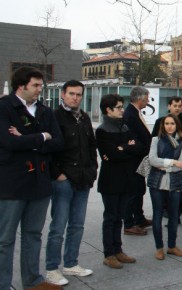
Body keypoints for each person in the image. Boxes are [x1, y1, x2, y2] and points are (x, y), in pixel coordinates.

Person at [0, 67, 64, 290]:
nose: (40, 89)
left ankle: (33, 281)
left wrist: (29, 139)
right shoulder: (4, 107)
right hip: (11, 184)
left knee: (33, 234)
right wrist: (41, 137)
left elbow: (58, 142)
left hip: (40, 182)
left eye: (40, 85)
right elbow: (9, 143)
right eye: (35, 85)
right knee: (5, 240)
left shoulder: (45, 111)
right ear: (21, 85)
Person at [45, 80, 97, 286]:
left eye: (78, 94)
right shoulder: (54, 117)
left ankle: (71, 263)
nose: (75, 97)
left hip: (83, 178)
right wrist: (57, 173)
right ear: (63, 94)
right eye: (72, 94)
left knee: (77, 225)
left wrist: (93, 169)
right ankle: (51, 268)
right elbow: (48, 148)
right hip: (64, 179)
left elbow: (92, 146)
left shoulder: (83, 117)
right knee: (58, 226)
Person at [96, 94, 142, 270]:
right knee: (111, 217)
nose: (122, 110)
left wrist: (125, 148)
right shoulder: (102, 130)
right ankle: (109, 253)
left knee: (120, 217)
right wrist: (125, 148)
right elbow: (111, 155)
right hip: (110, 180)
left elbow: (137, 147)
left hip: (126, 178)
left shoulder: (124, 127)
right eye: (119, 107)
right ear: (108, 109)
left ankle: (118, 250)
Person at [151, 97, 182, 227]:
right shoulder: (160, 122)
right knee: (170, 192)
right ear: (169, 106)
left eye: (179, 105)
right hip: (166, 165)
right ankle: (174, 217)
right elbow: (154, 142)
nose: (177, 108)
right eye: (175, 105)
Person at [148, 114, 182, 260]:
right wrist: (171, 162)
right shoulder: (156, 140)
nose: (169, 126)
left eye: (172, 123)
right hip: (156, 182)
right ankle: (159, 248)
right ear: (162, 125)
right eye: (166, 123)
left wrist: (163, 165)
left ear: (177, 125)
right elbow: (152, 160)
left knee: (173, 215)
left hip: (174, 182)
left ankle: (172, 246)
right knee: (157, 214)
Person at [122, 86, 152, 236]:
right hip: (134, 160)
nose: (148, 100)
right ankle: (129, 223)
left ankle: (139, 218)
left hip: (141, 159)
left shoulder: (136, 113)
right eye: (147, 98)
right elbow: (133, 139)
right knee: (133, 191)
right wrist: (142, 147)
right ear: (140, 98)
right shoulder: (130, 115)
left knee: (140, 189)